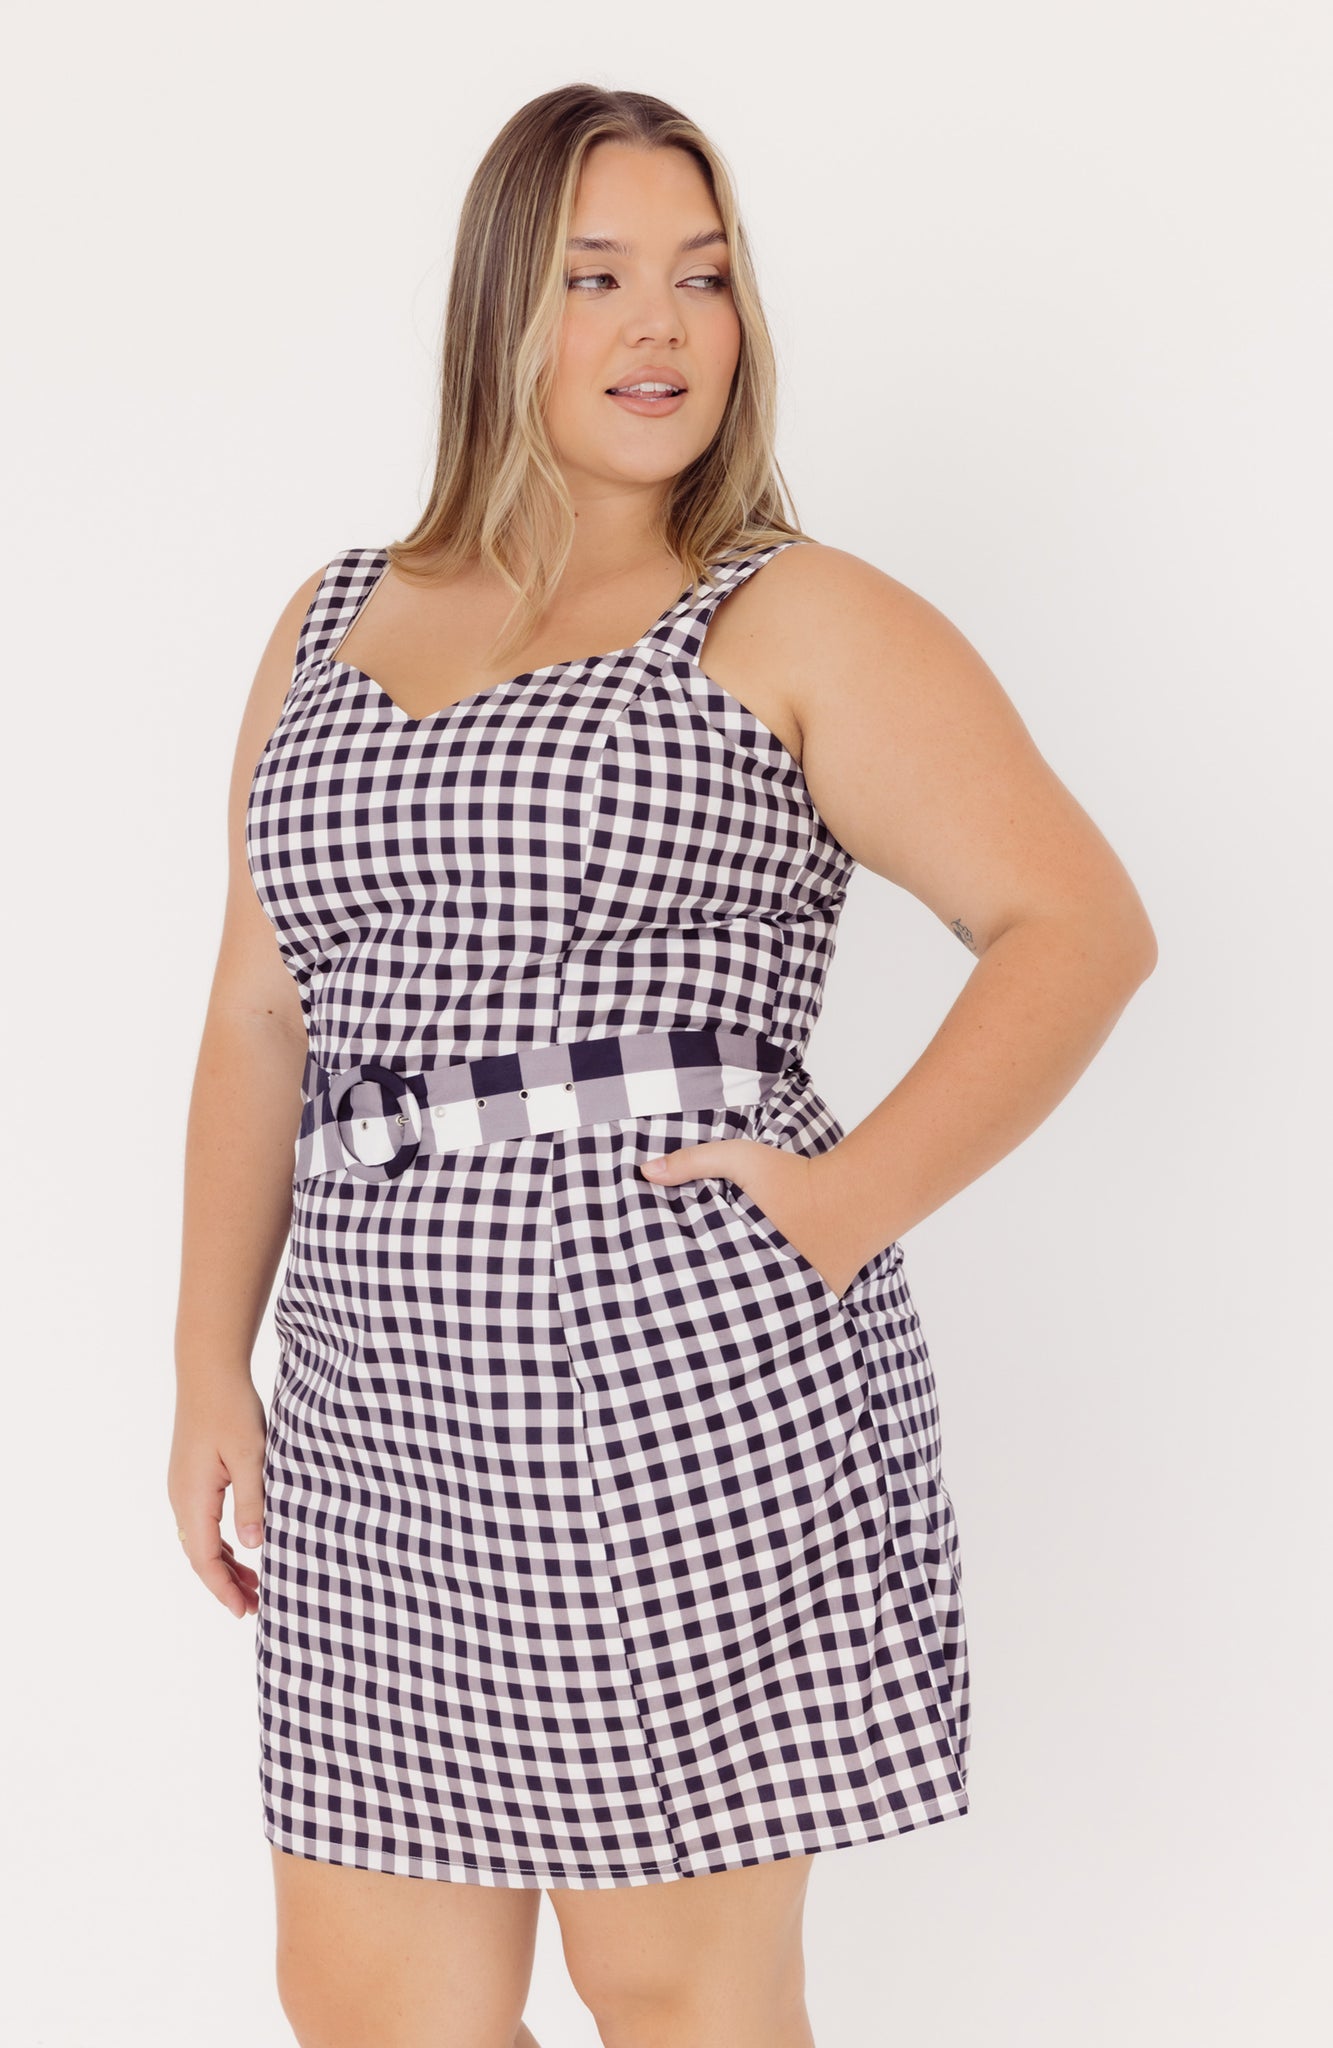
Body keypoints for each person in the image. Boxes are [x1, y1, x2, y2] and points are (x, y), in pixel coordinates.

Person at [169, 82, 1157, 2048]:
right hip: (377, 1393)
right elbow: (259, 1013)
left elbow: (1074, 926)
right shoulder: (330, 620)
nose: (661, 327)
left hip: (667, 1359)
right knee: (364, 1995)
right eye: (597, 275)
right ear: (494, 312)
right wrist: (210, 1352)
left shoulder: (790, 615)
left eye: (700, 278)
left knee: (669, 1990)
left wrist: (842, 1204)